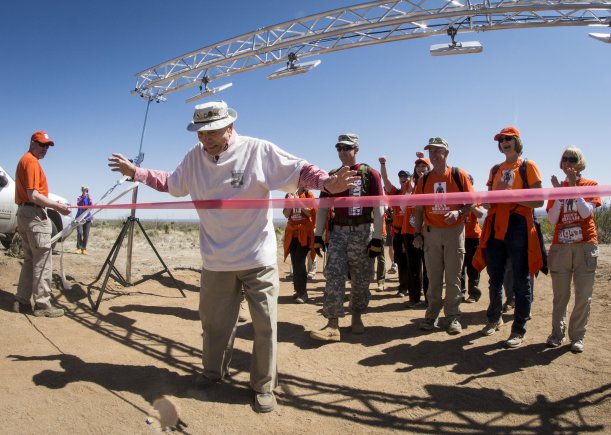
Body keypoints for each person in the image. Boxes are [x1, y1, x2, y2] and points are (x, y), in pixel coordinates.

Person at [108, 101, 357, 413]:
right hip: (216, 261)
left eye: (212, 132)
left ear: (229, 127)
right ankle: (213, 373)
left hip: (257, 258)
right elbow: (171, 183)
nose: (205, 138)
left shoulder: (258, 150)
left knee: (265, 325)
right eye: (201, 133)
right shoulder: (193, 158)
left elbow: (300, 169)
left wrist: (326, 183)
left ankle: (264, 386)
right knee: (213, 325)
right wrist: (137, 173)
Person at [310, 133, 384, 342]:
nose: (342, 152)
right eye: (339, 148)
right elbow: (323, 207)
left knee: (361, 278)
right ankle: (333, 324)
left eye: (346, 148)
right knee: (334, 275)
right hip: (339, 233)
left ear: (356, 149)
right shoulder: (332, 176)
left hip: (363, 232)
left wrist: (377, 238)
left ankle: (357, 317)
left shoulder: (370, 174)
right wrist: (318, 235)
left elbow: (379, 206)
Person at [474, 126, 543, 349]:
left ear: (517, 142)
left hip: (518, 225)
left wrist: (512, 197)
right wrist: (487, 201)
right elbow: (488, 200)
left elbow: (538, 201)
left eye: (508, 139)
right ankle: (494, 319)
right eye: (501, 139)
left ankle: (518, 329)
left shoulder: (527, 166)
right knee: (494, 278)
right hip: (495, 225)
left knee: (521, 280)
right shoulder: (495, 169)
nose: (504, 142)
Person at [412, 138, 473, 335]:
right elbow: (419, 208)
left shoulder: (458, 175)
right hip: (431, 233)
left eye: (438, 151)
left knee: (454, 276)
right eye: (431, 151)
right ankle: (432, 315)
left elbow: (471, 202)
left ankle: (453, 316)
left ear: (446, 153)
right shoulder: (424, 180)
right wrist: (417, 233)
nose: (434, 155)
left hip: (455, 232)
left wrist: (458, 213)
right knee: (433, 276)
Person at [546, 146, 601, 353]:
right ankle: (556, 334)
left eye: (572, 159)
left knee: (583, 294)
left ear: (580, 163)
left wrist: (572, 188)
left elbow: (586, 213)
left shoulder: (591, 185)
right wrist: (561, 192)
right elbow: (552, 219)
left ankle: (577, 336)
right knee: (561, 294)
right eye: (564, 159)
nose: (568, 162)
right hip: (561, 247)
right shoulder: (556, 188)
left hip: (585, 245)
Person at [13, 131, 70, 317]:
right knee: (43, 260)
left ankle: (22, 301)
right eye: (41, 144)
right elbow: (33, 195)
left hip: (24, 213)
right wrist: (57, 207)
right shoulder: (31, 162)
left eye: (47, 146)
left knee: (30, 259)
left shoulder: (26, 160)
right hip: (34, 215)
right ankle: (43, 305)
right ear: (32, 142)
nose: (45, 149)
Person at [379, 157, 411, 296]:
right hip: (398, 233)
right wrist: (383, 164)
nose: (403, 178)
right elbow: (385, 181)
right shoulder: (396, 192)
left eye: (406, 176)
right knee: (402, 262)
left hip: (412, 232)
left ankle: (416, 287)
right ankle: (403, 287)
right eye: (401, 176)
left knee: (415, 261)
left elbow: (417, 182)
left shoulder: (415, 192)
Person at [402, 152, 431, 308]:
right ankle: (414, 298)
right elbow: (401, 206)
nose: (421, 168)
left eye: (424, 165)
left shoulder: (431, 183)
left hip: (427, 229)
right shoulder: (409, 184)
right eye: (418, 165)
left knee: (428, 265)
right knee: (413, 265)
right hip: (409, 230)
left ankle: (428, 298)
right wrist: (410, 189)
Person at [282, 188, 316, 303]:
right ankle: (298, 290)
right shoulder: (288, 194)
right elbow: (286, 214)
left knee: (299, 262)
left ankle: (303, 293)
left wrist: (298, 202)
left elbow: (310, 212)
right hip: (292, 233)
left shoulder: (308, 194)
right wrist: (291, 203)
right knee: (294, 262)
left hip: (304, 232)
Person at [460, 175, 484, 303]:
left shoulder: (476, 197)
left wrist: (472, 205)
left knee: (473, 266)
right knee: (459, 267)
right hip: (459, 236)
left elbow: (480, 214)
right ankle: (460, 293)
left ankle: (474, 293)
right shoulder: (457, 197)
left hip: (473, 237)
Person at [75, 185, 93, 254]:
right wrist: (83, 197)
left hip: (88, 218)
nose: (85, 191)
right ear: (82, 190)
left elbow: (91, 206)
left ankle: (84, 248)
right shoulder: (79, 198)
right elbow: (78, 204)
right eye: (84, 190)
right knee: (80, 232)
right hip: (79, 218)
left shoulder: (89, 198)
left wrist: (88, 198)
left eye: (86, 190)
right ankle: (79, 248)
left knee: (86, 234)